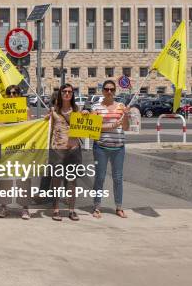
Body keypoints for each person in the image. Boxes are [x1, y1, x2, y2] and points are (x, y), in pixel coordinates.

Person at [45, 83, 88, 221]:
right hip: (57, 150)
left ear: (72, 94)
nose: (67, 94)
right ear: (60, 93)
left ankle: (71, 210)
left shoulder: (78, 110)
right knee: (56, 180)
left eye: (70, 92)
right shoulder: (53, 111)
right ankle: (56, 209)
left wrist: (88, 115)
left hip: (73, 150)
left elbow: (88, 125)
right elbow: (46, 129)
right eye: (65, 91)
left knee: (72, 181)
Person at [91, 80, 130, 219]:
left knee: (118, 178)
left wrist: (127, 116)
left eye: (112, 89)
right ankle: (96, 207)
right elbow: (94, 128)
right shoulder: (96, 107)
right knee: (99, 178)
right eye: (106, 89)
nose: (109, 92)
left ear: (115, 91)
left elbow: (125, 128)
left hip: (118, 147)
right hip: (100, 147)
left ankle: (119, 207)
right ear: (102, 91)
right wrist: (112, 126)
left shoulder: (121, 106)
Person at [0, 85, 31, 219]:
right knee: (4, 178)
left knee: (24, 178)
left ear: (19, 94)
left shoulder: (26, 109)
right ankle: (4, 207)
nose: (12, 95)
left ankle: (25, 208)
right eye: (9, 93)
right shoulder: (1, 109)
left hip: (22, 148)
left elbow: (31, 127)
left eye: (15, 93)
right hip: (5, 148)